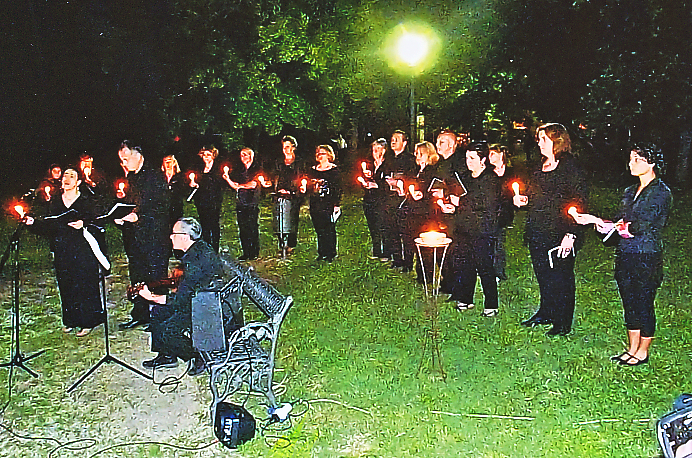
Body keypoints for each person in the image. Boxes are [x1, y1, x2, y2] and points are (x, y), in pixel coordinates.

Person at [572, 144, 672, 365]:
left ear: (651, 162)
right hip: (626, 254)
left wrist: (617, 227)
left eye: (637, 159)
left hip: (646, 255)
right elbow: (619, 222)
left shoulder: (661, 193)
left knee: (643, 301)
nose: (631, 164)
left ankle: (643, 352)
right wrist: (596, 222)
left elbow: (640, 225)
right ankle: (632, 347)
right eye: (630, 159)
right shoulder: (629, 191)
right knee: (628, 300)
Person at [514, 124, 587, 336]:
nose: (540, 144)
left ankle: (563, 321)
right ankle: (546, 311)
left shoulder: (570, 168)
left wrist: (571, 234)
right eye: (539, 140)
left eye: (544, 139)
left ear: (558, 141)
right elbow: (534, 194)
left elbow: (579, 202)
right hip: (538, 229)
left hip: (561, 231)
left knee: (561, 276)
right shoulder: (539, 166)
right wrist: (523, 199)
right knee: (543, 273)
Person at [24, 167, 106, 336]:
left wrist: (84, 223)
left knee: (85, 283)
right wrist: (33, 224)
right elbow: (49, 226)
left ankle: (88, 320)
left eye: (72, 176)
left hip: (83, 248)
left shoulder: (86, 201)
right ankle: (71, 320)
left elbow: (98, 222)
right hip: (63, 248)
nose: (67, 178)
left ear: (78, 182)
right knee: (66, 284)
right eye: (65, 175)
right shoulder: (55, 202)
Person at [137, 217, 224, 371]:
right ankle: (167, 356)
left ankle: (197, 356)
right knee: (157, 312)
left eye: (174, 234)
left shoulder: (194, 263)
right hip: (202, 298)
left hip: (205, 307)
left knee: (168, 331)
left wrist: (150, 297)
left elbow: (180, 301)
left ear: (184, 237)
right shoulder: (198, 249)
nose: (170, 237)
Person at [439, 142, 501, 317]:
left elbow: (487, 204)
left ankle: (491, 304)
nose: (469, 162)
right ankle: (466, 298)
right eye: (467, 158)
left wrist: (462, 203)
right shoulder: (465, 178)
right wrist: (452, 206)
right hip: (463, 227)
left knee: (484, 266)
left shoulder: (490, 179)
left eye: (473, 158)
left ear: (483, 159)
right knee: (463, 264)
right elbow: (458, 198)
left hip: (482, 229)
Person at [116, 140, 171, 330]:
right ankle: (140, 313)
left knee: (155, 277)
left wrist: (138, 216)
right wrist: (119, 216)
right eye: (121, 160)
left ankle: (158, 316)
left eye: (126, 158)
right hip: (135, 238)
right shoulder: (132, 178)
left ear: (138, 155)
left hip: (154, 236)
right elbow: (129, 203)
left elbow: (161, 207)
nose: (124, 163)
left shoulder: (155, 177)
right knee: (137, 275)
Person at [400, 141, 441, 283]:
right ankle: (420, 272)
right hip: (414, 211)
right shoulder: (417, 170)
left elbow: (432, 190)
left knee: (426, 245)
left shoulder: (432, 172)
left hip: (426, 213)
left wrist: (422, 194)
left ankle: (427, 275)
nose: (417, 156)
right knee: (416, 242)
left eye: (420, 154)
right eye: (416, 153)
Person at [381, 130, 417, 268]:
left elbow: (413, 178)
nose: (393, 141)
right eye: (392, 139)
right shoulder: (389, 159)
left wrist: (401, 183)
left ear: (405, 142)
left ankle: (408, 262)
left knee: (406, 233)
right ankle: (397, 259)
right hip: (390, 199)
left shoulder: (410, 160)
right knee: (391, 230)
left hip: (404, 200)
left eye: (397, 139)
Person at [223, 147, 266, 260]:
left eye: (245, 155)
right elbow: (235, 185)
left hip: (252, 202)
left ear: (251, 156)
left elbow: (252, 184)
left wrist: (239, 186)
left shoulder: (257, 169)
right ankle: (246, 252)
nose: (243, 157)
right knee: (242, 227)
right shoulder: (240, 170)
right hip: (241, 202)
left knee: (252, 226)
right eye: (241, 155)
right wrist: (228, 179)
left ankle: (254, 252)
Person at [305, 144, 341, 262]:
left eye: (323, 153)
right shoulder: (313, 170)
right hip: (315, 202)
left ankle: (330, 253)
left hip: (328, 203)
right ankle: (321, 252)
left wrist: (336, 204)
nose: (320, 156)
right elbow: (308, 186)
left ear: (329, 155)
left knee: (329, 228)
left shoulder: (334, 170)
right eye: (318, 153)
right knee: (319, 228)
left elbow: (337, 188)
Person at [488, 144, 519, 281]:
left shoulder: (511, 172)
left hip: (504, 211)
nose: (489, 157)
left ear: (501, 155)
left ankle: (498, 271)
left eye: (492, 154)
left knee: (499, 242)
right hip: (490, 211)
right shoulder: (488, 173)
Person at [190, 146, 226, 252]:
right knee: (204, 224)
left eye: (209, 155)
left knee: (214, 224)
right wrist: (193, 183)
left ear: (213, 156)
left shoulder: (218, 169)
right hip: (201, 200)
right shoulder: (199, 168)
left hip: (214, 200)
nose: (206, 157)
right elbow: (196, 182)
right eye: (204, 155)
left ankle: (214, 247)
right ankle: (206, 246)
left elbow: (219, 184)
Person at [273, 135, 303, 254]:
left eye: (288, 147)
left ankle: (291, 244)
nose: (285, 149)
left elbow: (300, 177)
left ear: (293, 147)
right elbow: (275, 176)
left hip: (293, 195)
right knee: (279, 217)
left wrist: (292, 190)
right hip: (280, 194)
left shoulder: (298, 163)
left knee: (292, 218)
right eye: (284, 147)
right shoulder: (279, 162)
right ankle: (281, 243)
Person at [359, 138, 388, 259]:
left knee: (383, 225)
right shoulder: (371, 165)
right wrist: (366, 180)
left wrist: (377, 185)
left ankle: (386, 252)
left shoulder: (387, 165)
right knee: (372, 225)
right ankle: (376, 250)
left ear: (384, 150)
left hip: (382, 200)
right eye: (373, 150)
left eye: (378, 150)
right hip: (369, 199)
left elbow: (388, 183)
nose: (375, 152)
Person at [162, 154, 186, 232]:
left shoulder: (180, 177)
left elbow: (184, 192)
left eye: (170, 161)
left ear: (174, 163)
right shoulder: (160, 178)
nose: (168, 164)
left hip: (176, 208)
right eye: (166, 162)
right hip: (163, 209)